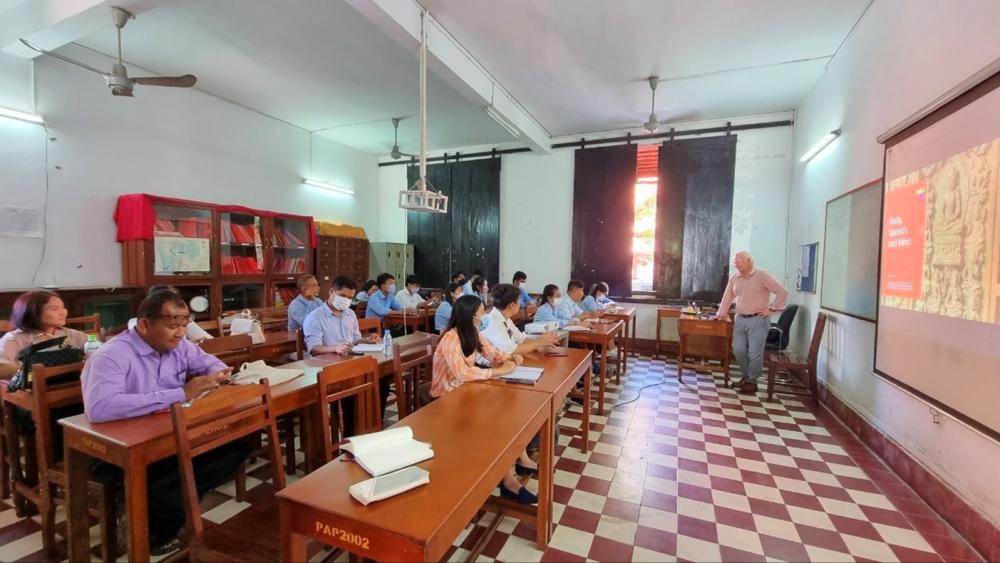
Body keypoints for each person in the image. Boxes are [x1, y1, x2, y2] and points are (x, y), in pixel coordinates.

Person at [82, 290, 249, 555]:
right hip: (119, 447)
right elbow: (100, 408)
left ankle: (157, 513)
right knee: (177, 471)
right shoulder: (112, 355)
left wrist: (220, 375)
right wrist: (182, 393)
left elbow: (209, 363)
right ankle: (152, 527)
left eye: (184, 325)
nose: (181, 333)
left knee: (239, 442)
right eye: (172, 326)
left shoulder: (180, 346)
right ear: (144, 324)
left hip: (167, 433)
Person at [430, 295, 537, 504]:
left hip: (466, 392)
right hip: (446, 398)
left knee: (507, 411)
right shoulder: (451, 338)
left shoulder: (473, 333)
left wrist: (508, 358)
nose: (484, 315)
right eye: (481, 312)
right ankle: (509, 481)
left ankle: (519, 461)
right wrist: (498, 372)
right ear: (471, 316)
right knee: (495, 421)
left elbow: (492, 354)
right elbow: (462, 373)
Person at [715, 251, 788, 394]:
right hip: (740, 319)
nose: (735, 263)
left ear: (749, 261)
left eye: (739, 261)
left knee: (755, 353)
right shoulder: (734, 277)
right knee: (738, 350)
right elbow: (727, 297)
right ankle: (746, 376)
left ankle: (752, 381)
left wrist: (772, 308)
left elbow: (782, 291)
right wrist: (720, 314)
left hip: (758, 320)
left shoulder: (762, 275)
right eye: (735, 261)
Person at [0, 290, 89, 379]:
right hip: (31, 390)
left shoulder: (70, 334)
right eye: (54, 308)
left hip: (72, 386)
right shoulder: (14, 339)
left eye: (63, 307)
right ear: (32, 311)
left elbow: (97, 351)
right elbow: (2, 367)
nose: (63, 312)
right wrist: (33, 374)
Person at [482, 284, 561, 356]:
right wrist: (539, 342)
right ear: (512, 305)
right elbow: (512, 350)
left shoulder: (506, 319)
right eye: (519, 301)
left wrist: (544, 342)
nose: (521, 304)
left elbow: (521, 339)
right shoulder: (492, 322)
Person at [126, 285, 213, 342]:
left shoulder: (182, 319)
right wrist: (190, 343)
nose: (180, 332)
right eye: (172, 327)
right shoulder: (136, 323)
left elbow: (209, 340)